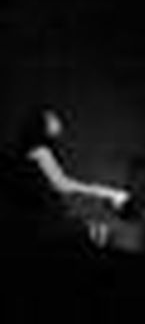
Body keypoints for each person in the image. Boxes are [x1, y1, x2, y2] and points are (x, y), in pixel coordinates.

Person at [2, 107, 129, 252]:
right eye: (52, 119)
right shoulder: (41, 151)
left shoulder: (43, 151)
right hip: (39, 221)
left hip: (42, 218)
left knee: (96, 231)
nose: (58, 122)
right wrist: (106, 192)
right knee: (97, 232)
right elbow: (62, 184)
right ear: (42, 126)